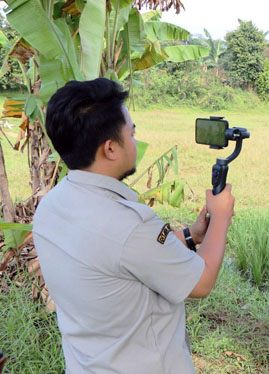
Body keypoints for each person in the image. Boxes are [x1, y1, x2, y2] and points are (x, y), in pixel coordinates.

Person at [32, 78, 235, 374]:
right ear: (111, 148)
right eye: (132, 133)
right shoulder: (130, 224)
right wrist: (221, 217)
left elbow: (124, 257)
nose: (135, 143)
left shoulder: (51, 206)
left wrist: (193, 235)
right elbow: (201, 282)